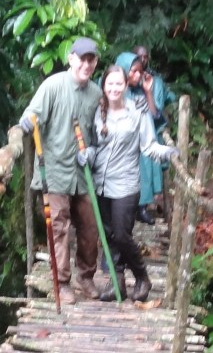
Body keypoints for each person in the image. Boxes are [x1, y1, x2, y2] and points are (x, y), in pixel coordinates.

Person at [80, 64, 175, 302]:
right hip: (101, 182)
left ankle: (143, 277)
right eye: (109, 83)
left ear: (125, 86)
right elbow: (93, 147)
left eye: (118, 83)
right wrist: (87, 156)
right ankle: (117, 283)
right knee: (110, 236)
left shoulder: (137, 111)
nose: (114, 88)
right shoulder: (97, 112)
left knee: (122, 235)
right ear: (104, 86)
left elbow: (149, 146)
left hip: (126, 184)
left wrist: (170, 152)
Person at [18, 37, 102, 301]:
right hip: (54, 170)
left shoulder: (97, 94)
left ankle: (86, 276)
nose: (87, 65)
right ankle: (62, 282)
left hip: (83, 172)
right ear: (71, 59)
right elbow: (32, 115)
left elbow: (101, 132)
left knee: (90, 225)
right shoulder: (53, 85)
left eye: (92, 60)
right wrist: (26, 124)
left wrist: (94, 151)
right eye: (82, 59)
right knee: (59, 226)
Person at [115, 46, 173, 223]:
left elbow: (154, 116)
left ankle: (142, 208)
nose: (139, 76)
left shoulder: (141, 90)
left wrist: (148, 92)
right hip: (120, 144)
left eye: (140, 72)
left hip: (140, 140)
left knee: (146, 160)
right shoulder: (115, 89)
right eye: (134, 72)